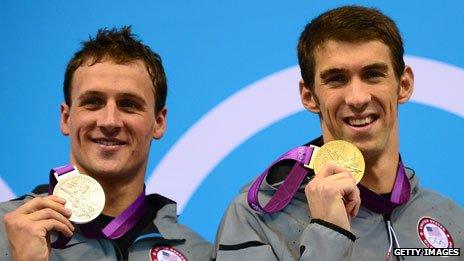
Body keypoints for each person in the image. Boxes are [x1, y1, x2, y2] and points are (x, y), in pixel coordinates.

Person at [214, 5, 463, 260]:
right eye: (336, 79)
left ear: (404, 85)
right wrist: (327, 235)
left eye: (373, 74)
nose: (357, 98)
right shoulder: (257, 218)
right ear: (309, 96)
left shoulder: (450, 218)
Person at [0, 27, 211, 260]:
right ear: (66, 118)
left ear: (159, 122)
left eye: (129, 104)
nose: (109, 121)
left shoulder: (198, 253)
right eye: (93, 102)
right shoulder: (6, 230)